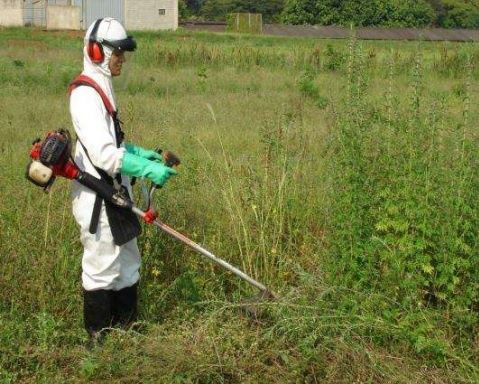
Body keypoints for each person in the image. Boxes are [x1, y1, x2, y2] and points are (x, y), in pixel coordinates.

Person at [68, 17, 177, 344]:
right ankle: (97, 339)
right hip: (97, 196)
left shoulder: (102, 87)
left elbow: (112, 144)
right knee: (101, 264)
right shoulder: (85, 95)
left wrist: (141, 154)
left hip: (116, 189)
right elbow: (102, 155)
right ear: (96, 51)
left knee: (128, 259)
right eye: (117, 53)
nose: (122, 59)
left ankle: (126, 330)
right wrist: (148, 171)